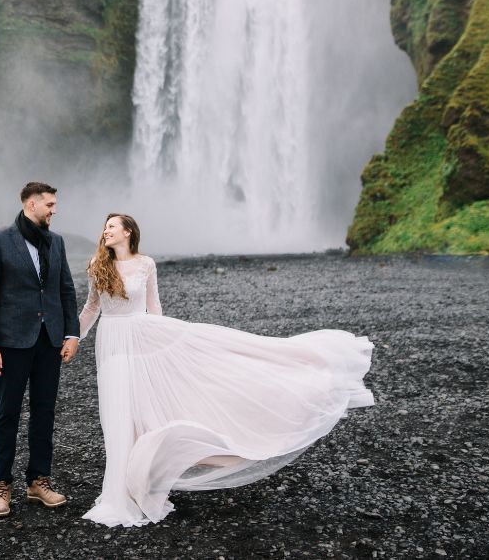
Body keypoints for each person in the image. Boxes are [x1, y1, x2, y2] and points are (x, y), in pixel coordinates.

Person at [77, 213, 375, 527]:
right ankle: (119, 490)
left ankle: (140, 482)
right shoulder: (97, 264)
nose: (106, 230)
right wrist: (72, 338)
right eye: (105, 226)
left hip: (144, 340)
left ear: (127, 232)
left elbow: (155, 308)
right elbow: (91, 308)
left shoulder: (146, 264)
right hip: (111, 343)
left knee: (145, 409)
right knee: (117, 415)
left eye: (112, 226)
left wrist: (168, 345)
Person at [0, 182, 81, 518]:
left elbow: (66, 290)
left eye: (54, 205)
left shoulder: (57, 241)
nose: (54, 210)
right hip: (11, 343)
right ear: (31, 204)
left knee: (44, 412)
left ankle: (38, 481)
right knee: (7, 414)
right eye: (49, 205)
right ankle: (1, 487)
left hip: (49, 340)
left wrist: (71, 333)